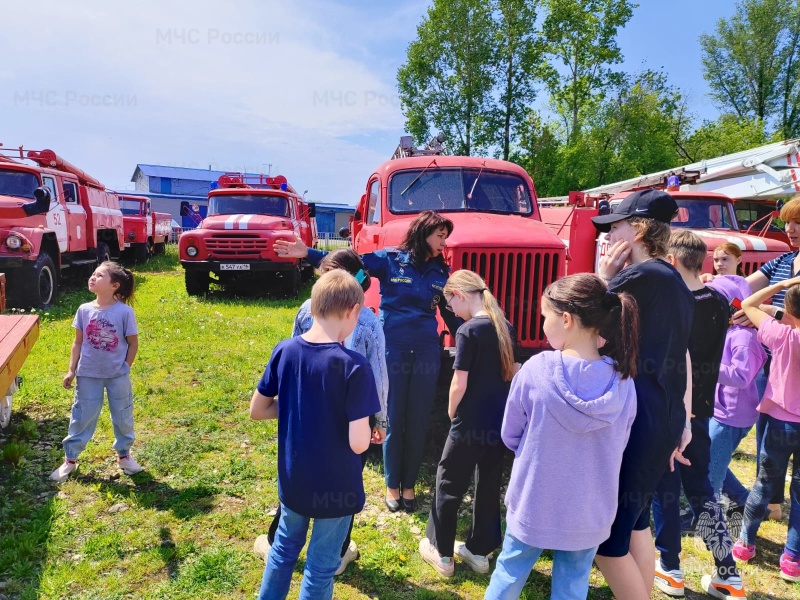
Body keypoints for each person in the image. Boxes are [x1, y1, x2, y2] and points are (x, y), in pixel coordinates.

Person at [274, 210, 460, 512]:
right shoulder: (389, 260)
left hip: (427, 351)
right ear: (423, 233)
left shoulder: (442, 273)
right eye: (439, 235)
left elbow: (453, 316)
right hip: (392, 349)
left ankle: (409, 485)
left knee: (419, 418)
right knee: (394, 415)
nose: (443, 242)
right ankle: (391, 485)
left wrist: (479, 342)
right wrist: (307, 253)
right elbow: (347, 266)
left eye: (445, 237)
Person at [483, 273, 638, 600]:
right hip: (590, 510)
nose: (542, 325)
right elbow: (621, 442)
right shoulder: (624, 383)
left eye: (544, 317)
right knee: (572, 585)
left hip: (534, 502)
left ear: (566, 319)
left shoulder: (536, 370)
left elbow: (511, 434)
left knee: (508, 576)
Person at [253, 248, 389, 575]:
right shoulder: (369, 321)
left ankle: (278, 543)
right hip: (352, 422)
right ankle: (337, 552)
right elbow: (380, 374)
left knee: (297, 494)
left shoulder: (303, 314)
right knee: (343, 484)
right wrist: (381, 421)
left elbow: (290, 368)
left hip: (304, 420)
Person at [590, 189, 695, 600]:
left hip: (644, 417)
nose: (607, 235)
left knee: (609, 543)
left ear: (635, 229)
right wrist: (682, 420)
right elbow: (681, 355)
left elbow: (589, 325)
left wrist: (602, 280)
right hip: (663, 415)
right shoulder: (671, 279)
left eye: (614, 226)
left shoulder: (642, 276)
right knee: (635, 525)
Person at [652, 231, 746, 599]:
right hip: (704, 411)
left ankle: (671, 567)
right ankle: (727, 572)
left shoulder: (671, 304)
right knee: (702, 493)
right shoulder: (720, 303)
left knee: (665, 491)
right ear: (702, 261)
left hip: (671, 410)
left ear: (673, 261)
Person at [418, 270, 520, 578]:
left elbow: (458, 382)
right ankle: (480, 551)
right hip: (497, 422)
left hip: (469, 421)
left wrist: (452, 412)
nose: (450, 309)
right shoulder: (506, 327)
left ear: (459, 295)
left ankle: (442, 552)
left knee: (448, 482)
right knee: (488, 484)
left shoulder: (467, 332)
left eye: (449, 303)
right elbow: (513, 371)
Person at [732, 274, 800, 583]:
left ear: (788, 308)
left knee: (763, 483)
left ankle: (746, 543)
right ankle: (792, 560)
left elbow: (748, 303)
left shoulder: (782, 335)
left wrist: (784, 284)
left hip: (780, 423)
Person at [50, 262, 140, 482]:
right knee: (82, 415)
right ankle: (70, 460)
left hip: (117, 375)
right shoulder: (84, 309)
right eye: (93, 274)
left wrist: (125, 367)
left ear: (114, 285)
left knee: (122, 414)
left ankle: (124, 455)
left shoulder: (124, 312)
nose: (92, 277)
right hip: (88, 374)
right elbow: (78, 343)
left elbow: (133, 343)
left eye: (99, 275)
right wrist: (71, 370)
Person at [743, 197, 800, 522]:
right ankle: (772, 499)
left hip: (790, 357)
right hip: (769, 357)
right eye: (787, 222)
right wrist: (714, 280)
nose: (790, 229)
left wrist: (770, 312)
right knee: (767, 434)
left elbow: (757, 302)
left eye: (798, 224)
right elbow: (746, 285)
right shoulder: (782, 261)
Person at [706, 275, 767, 535]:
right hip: (722, 410)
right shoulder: (729, 330)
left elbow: (741, 376)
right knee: (714, 458)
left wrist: (706, 366)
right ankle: (745, 500)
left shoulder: (743, 337)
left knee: (712, 472)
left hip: (732, 415)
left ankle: (707, 519)